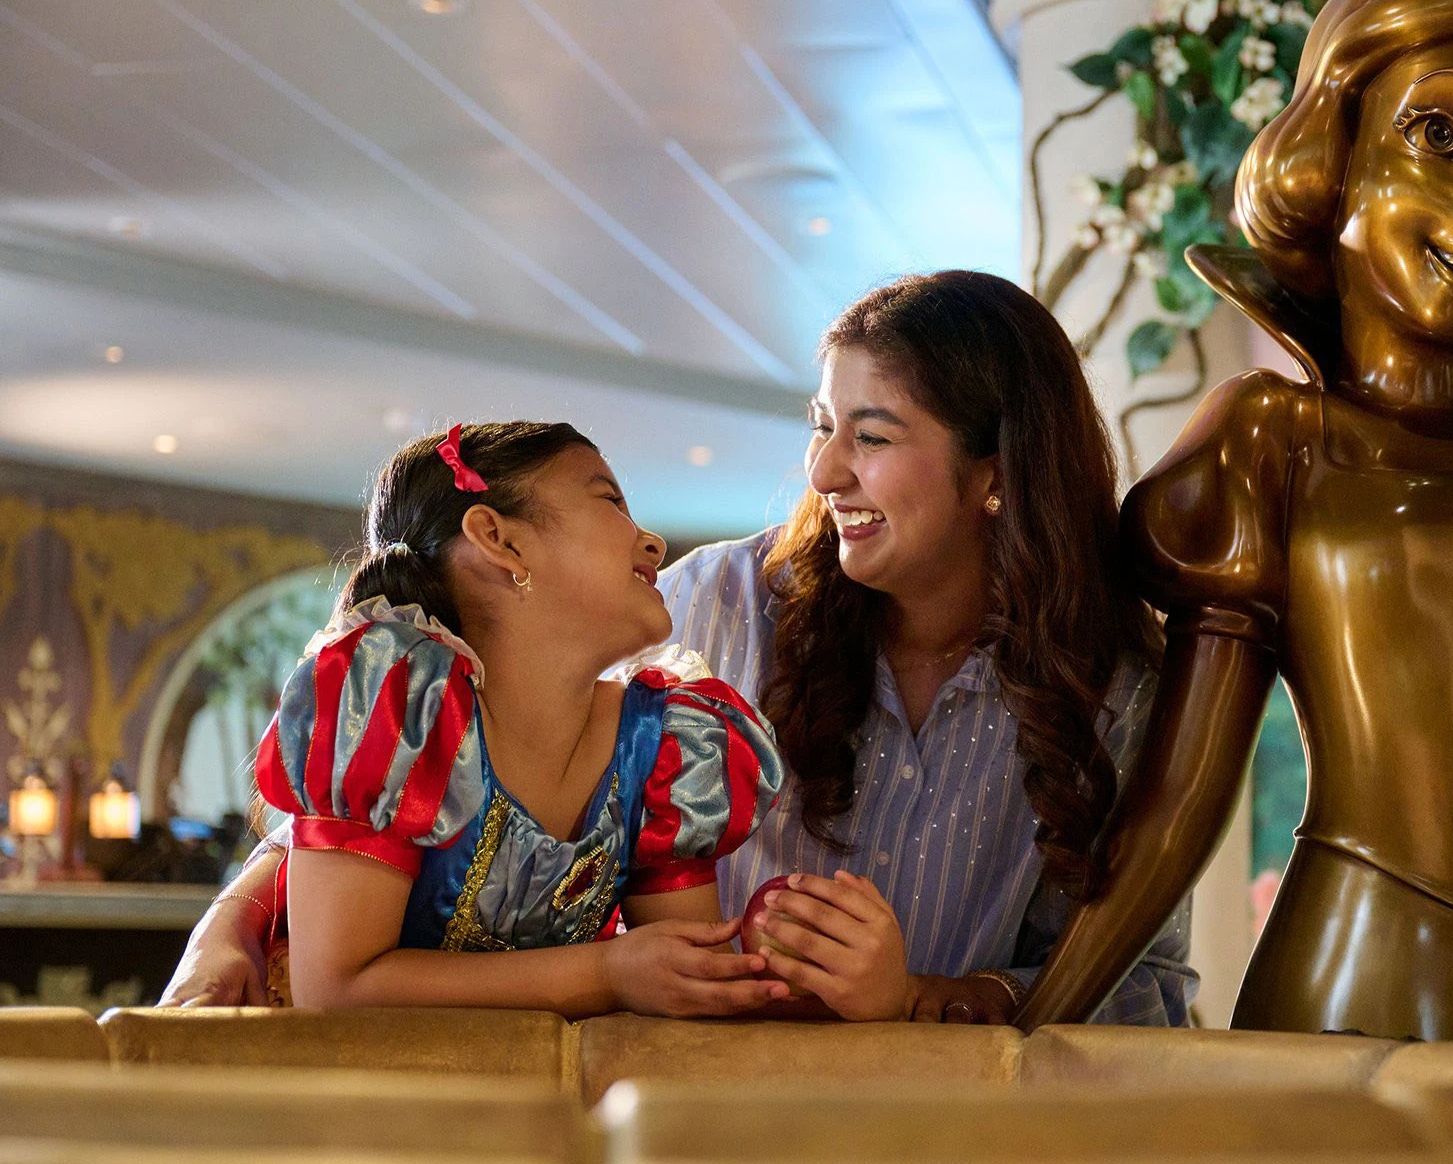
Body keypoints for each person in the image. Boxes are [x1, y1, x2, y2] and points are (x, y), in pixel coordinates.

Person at [166, 273, 1195, 1026]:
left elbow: (1139, 989)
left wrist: (930, 997)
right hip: (699, 1112)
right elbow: (430, 778)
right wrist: (235, 920)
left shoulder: (1116, 690)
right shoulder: (718, 606)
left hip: (947, 1153)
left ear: (996, 474)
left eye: (873, 438)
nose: (825, 468)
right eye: (821, 424)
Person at [1015, 0, 1453, 1040]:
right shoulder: (1270, 444)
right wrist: (1036, 1034)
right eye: (1438, 134)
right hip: (1355, 967)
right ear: (1331, 148)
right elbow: (1178, 807)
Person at [217, 420, 793, 1018]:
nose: (652, 542)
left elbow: (691, 995)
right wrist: (606, 973)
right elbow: (336, 990)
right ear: (499, 539)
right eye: (611, 501)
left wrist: (782, 968)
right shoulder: (398, 714)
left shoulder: (667, 744)